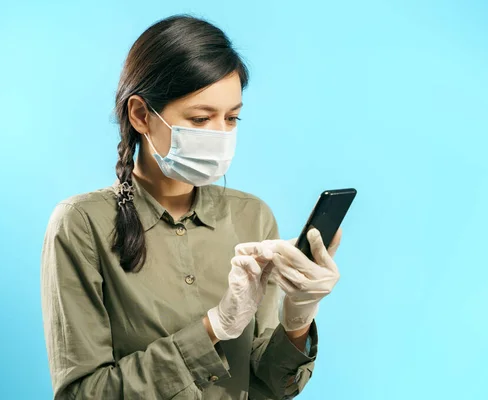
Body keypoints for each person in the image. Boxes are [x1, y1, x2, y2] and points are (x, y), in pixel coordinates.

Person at [41, 15, 342, 400]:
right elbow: (83, 394)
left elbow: (269, 384)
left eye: (232, 118)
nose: (220, 136)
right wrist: (213, 327)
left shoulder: (253, 216)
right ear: (141, 115)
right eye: (200, 119)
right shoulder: (82, 224)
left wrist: (299, 315)